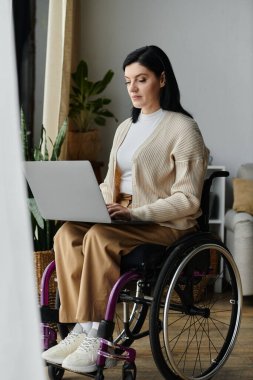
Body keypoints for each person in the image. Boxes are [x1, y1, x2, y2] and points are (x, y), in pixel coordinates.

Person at [42, 45, 209, 373]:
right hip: (121, 216)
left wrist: (136, 213)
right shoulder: (125, 128)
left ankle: (98, 335)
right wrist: (89, 205)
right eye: (127, 81)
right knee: (67, 234)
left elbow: (189, 200)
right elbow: (109, 184)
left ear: (161, 79)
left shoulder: (183, 129)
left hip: (166, 222)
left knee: (100, 238)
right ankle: (81, 328)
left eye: (141, 79)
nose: (132, 88)